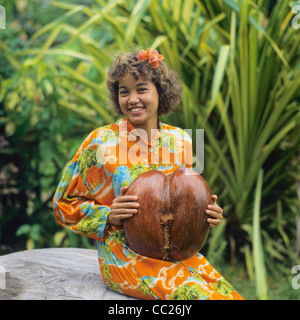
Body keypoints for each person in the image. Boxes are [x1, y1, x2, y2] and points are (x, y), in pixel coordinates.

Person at [53, 49, 243, 300]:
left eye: (141, 89)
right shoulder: (101, 143)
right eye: (124, 91)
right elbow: (62, 205)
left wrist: (205, 213)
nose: (132, 99)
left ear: (160, 92)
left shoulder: (181, 141)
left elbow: (182, 203)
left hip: (177, 256)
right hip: (124, 257)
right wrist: (107, 215)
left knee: (229, 296)